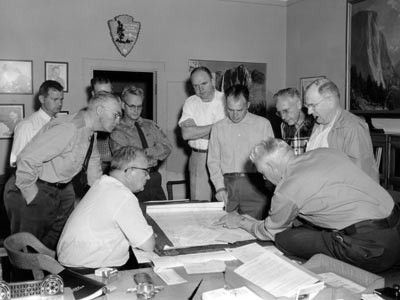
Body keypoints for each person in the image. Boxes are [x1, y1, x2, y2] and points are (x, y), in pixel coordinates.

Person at [215, 138, 400, 273]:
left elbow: (270, 231)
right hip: (396, 228)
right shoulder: (325, 152)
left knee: (284, 237)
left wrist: (241, 221)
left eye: (263, 172)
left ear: (271, 167)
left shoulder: (286, 189)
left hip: (374, 250)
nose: (264, 178)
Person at [3, 91, 122, 250]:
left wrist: (111, 198)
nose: (118, 121)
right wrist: (33, 197)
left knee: (52, 250)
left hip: (60, 190)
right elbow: (27, 159)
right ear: (100, 110)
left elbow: (94, 174)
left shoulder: (90, 133)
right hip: (32, 187)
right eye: (116, 115)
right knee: (28, 253)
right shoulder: (69, 128)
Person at [57, 147, 155, 270]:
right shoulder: (122, 195)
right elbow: (148, 245)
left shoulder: (101, 183)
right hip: (88, 272)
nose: (148, 177)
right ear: (130, 172)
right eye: (146, 172)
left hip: (71, 265)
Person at [208, 85, 274, 220]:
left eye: (239, 110)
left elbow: (271, 159)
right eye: (230, 109)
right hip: (226, 186)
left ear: (248, 105)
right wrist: (219, 187)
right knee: (223, 229)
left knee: (254, 230)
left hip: (255, 186)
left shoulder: (263, 125)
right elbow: (213, 161)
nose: (235, 115)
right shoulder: (218, 128)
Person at [304, 78, 379, 182]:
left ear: (330, 101)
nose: (309, 111)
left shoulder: (353, 128)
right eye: (307, 106)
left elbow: (361, 178)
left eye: (313, 105)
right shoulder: (318, 123)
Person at [110, 85, 172, 201]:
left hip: (154, 180)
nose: (136, 110)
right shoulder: (117, 131)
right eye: (132, 106)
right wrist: (155, 151)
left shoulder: (150, 125)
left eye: (139, 106)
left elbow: (167, 147)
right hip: (132, 184)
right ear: (123, 105)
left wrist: (145, 152)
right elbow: (126, 161)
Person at [178, 66, 226, 201]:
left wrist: (197, 130)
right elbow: (186, 134)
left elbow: (227, 135)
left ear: (212, 80)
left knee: (224, 203)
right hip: (199, 156)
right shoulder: (190, 102)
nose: (200, 89)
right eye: (196, 86)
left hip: (223, 156)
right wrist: (217, 128)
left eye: (204, 83)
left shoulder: (226, 100)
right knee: (199, 204)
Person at [10, 80, 64, 167]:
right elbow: (15, 161)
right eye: (55, 99)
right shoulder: (27, 126)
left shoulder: (59, 124)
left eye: (61, 99)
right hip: (35, 179)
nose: (60, 103)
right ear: (42, 99)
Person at [274, 88, 314, 155]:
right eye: (279, 113)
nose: (283, 117)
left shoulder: (315, 124)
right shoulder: (283, 126)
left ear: (299, 104)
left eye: (286, 111)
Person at [90, 75, 114, 174]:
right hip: (94, 169)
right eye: (100, 94)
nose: (104, 98)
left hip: (116, 168)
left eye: (107, 93)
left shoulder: (118, 115)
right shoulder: (87, 118)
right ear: (93, 94)